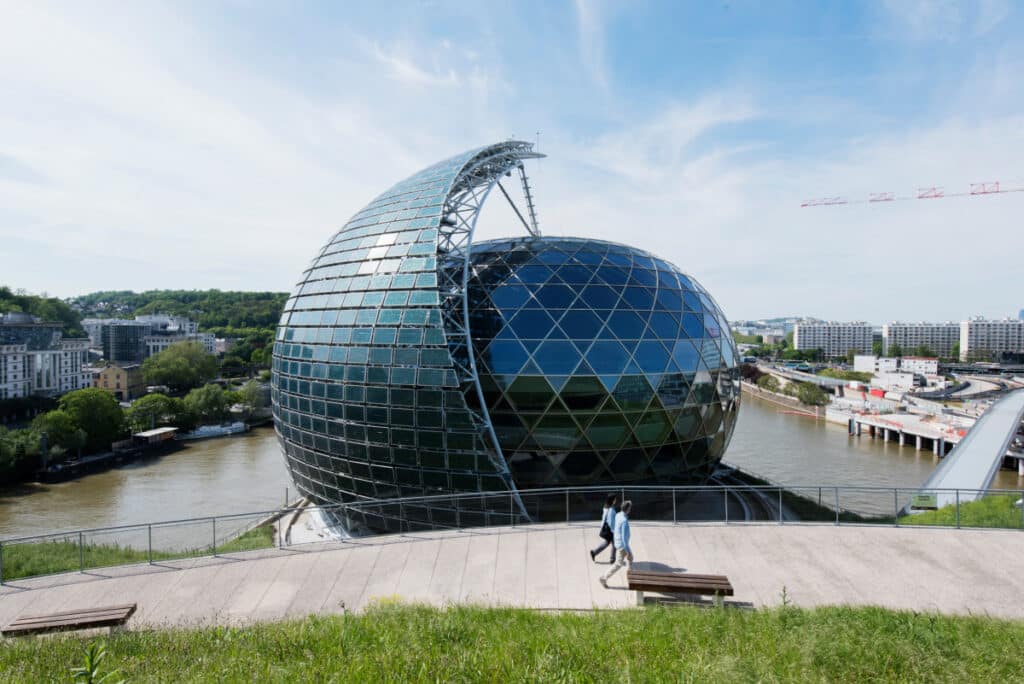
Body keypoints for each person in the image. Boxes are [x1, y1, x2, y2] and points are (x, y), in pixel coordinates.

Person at [599, 500, 632, 588]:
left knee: (630, 561)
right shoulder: (624, 521)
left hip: (618, 542)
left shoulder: (618, 515)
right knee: (618, 564)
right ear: (628, 509)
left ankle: (631, 579)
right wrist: (628, 551)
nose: (630, 510)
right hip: (622, 546)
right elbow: (624, 539)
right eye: (630, 508)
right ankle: (604, 578)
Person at [589, 493, 617, 564]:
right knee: (614, 543)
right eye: (615, 499)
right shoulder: (611, 510)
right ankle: (612, 559)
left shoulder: (606, 507)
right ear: (612, 500)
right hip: (610, 530)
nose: (616, 500)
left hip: (607, 529)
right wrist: (614, 531)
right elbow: (611, 522)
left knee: (608, 542)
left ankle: (594, 552)